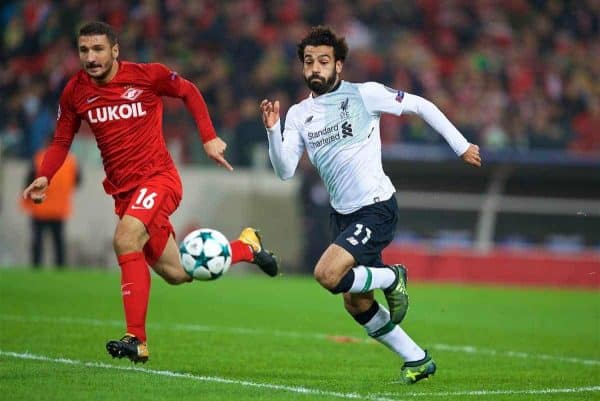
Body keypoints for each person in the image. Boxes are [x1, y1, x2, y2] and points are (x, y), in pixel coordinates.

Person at [22, 21, 279, 364]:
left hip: (159, 180)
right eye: (84, 50)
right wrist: (45, 176)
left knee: (125, 237)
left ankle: (136, 340)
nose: (90, 57)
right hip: (125, 194)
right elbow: (61, 140)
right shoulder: (75, 91)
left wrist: (207, 137)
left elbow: (188, 91)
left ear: (115, 50)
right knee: (179, 273)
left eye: (98, 49)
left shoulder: (146, 76)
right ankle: (247, 246)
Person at [260, 26, 481, 384]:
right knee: (356, 302)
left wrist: (461, 146)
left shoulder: (365, 95)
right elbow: (284, 171)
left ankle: (393, 277)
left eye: (323, 61)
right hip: (343, 216)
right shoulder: (300, 115)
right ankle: (417, 358)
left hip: (376, 207)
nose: (315, 68)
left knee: (326, 275)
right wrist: (272, 130)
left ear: (339, 66)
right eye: (308, 62)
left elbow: (420, 105)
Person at [21, 146, 81, 268]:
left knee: (38, 242)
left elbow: (29, 180)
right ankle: (60, 269)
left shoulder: (39, 157)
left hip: (40, 208)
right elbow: (78, 180)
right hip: (59, 209)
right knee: (58, 242)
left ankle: (36, 268)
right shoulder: (70, 160)